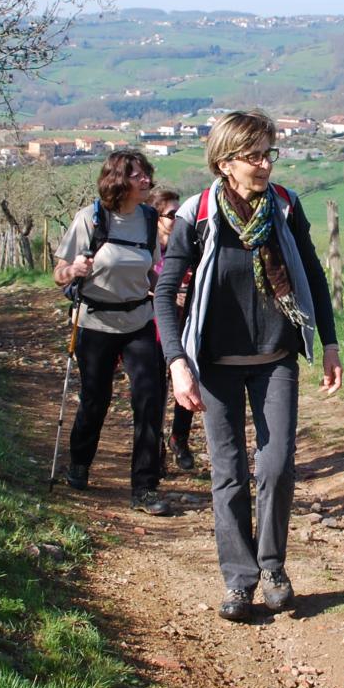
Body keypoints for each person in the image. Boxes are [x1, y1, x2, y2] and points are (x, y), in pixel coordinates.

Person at [154, 109, 341, 622]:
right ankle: (240, 580)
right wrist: (176, 362)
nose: (264, 164)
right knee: (230, 472)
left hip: (276, 357)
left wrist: (328, 342)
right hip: (214, 362)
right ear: (225, 161)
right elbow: (167, 291)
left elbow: (313, 277)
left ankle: (274, 566)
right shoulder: (199, 213)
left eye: (268, 153)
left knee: (277, 464)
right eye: (253, 155)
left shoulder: (284, 206)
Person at [54, 149, 173, 516]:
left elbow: (150, 269)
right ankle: (80, 462)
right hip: (96, 322)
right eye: (137, 175)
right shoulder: (89, 219)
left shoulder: (149, 217)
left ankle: (144, 486)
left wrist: (168, 288)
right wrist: (74, 270)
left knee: (150, 399)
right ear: (118, 180)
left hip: (139, 318)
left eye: (146, 173)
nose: (145, 180)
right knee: (96, 398)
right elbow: (58, 274)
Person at [149, 186, 200, 474]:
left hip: (185, 325)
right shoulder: (147, 248)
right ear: (157, 218)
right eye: (172, 215)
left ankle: (180, 439)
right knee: (154, 390)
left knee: (187, 381)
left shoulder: (189, 245)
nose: (178, 220)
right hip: (153, 328)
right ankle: (153, 445)